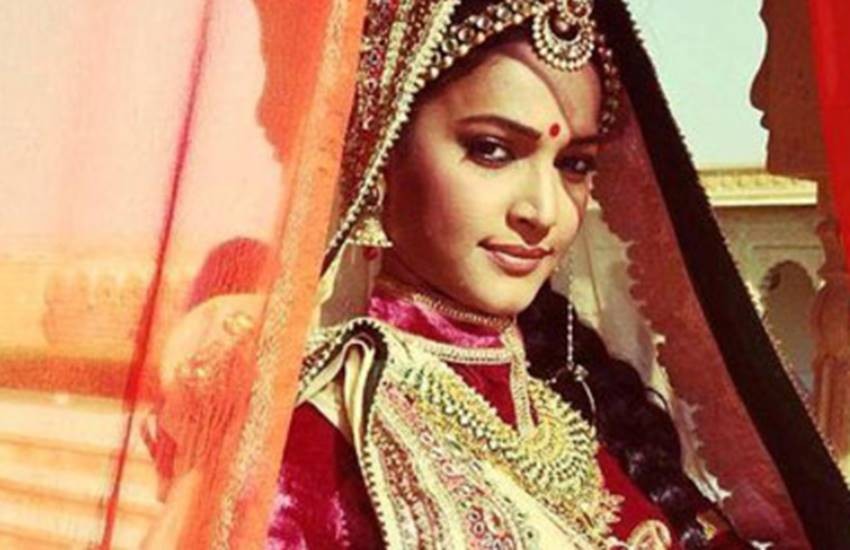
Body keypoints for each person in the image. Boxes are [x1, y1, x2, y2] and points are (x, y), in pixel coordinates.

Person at [146, 0, 850, 548]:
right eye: (491, 150)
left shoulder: (579, 423)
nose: (543, 211)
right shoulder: (313, 449)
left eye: (574, 164)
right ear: (383, 153)